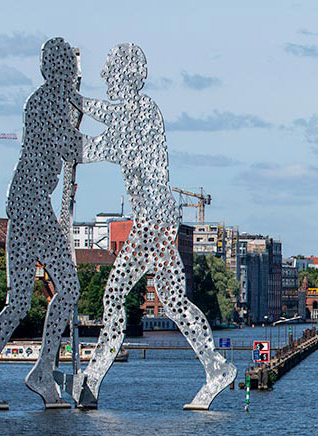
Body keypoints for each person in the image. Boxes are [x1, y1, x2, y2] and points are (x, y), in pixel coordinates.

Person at [69, 43, 236, 409]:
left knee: (115, 296)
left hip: (153, 222)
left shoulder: (142, 111)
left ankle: (92, 381)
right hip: (156, 219)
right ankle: (216, 368)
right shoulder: (134, 111)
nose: (104, 77)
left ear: (126, 75)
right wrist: (76, 104)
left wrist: (72, 115)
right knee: (173, 301)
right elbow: (106, 121)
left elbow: (100, 146)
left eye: (109, 71)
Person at [0, 38, 81, 409]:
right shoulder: (50, 101)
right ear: (60, 70)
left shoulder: (44, 100)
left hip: (24, 204)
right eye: (69, 68)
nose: (72, 75)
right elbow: (72, 149)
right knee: (68, 287)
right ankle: (41, 371)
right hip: (34, 206)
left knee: (19, 301)